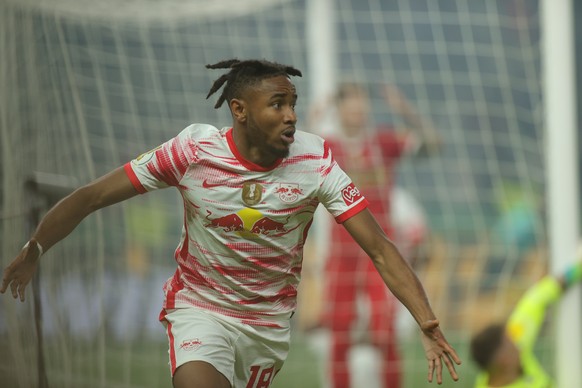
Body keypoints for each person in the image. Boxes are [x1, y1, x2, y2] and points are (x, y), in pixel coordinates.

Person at [1, 59, 460, 388]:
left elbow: (379, 246)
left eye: (293, 104)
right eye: (277, 105)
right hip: (199, 308)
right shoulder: (191, 153)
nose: (291, 115)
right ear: (239, 110)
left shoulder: (316, 161)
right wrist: (34, 249)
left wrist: (427, 322)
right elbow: (91, 196)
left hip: (267, 326)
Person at [309, 82, 440, 388]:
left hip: (379, 251)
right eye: (352, 104)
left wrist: (406, 111)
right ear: (339, 109)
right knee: (339, 330)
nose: (359, 111)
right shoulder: (326, 147)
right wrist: (314, 117)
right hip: (341, 255)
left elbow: (434, 143)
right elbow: (288, 154)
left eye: (363, 104)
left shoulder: (384, 142)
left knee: (384, 330)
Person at [470, 259, 582, 387]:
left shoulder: (517, 343)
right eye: (511, 344)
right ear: (504, 360)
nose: (518, 344)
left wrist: (576, 269)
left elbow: (536, 299)